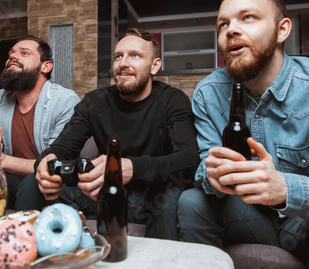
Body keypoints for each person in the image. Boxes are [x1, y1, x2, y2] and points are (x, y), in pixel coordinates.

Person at [177, 0, 309, 268]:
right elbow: (203, 167)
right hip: (250, 215)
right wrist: (213, 175)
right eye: (223, 24)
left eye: (248, 17)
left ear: (282, 30)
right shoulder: (209, 93)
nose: (231, 29)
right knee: (192, 201)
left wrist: (286, 189)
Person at [19, 28, 199, 240]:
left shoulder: (172, 100)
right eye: (118, 56)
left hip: (155, 201)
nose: (123, 63)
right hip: (103, 196)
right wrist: (47, 162)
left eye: (135, 55)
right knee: (32, 181)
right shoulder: (94, 102)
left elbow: (190, 159)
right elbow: (63, 147)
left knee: (172, 194)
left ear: (155, 66)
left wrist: (132, 167)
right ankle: (31, 251)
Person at [0, 35, 80, 210]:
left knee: (31, 184)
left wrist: (1, 160)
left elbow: (52, 165)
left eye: (24, 53)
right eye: (11, 54)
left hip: (53, 182)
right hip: (13, 180)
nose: (13, 57)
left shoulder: (65, 101)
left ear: (46, 66)